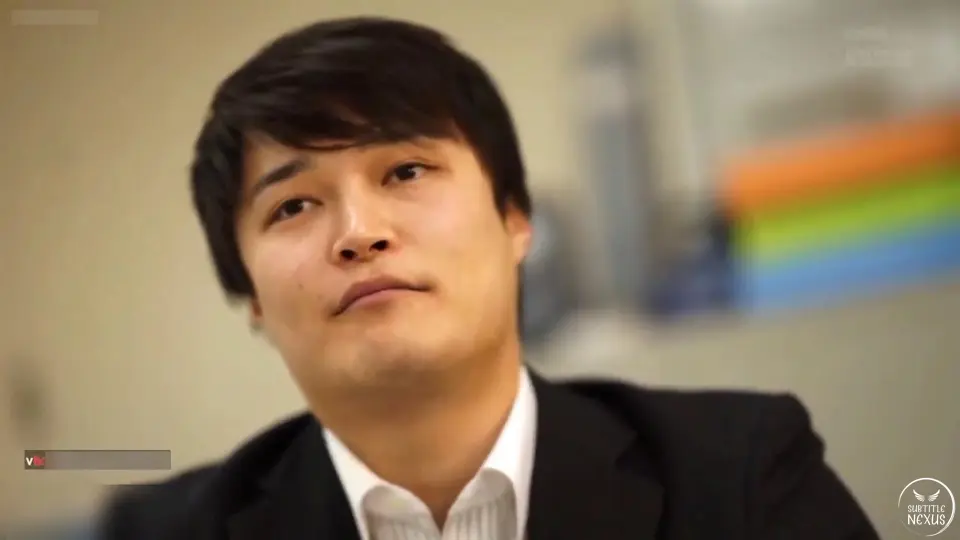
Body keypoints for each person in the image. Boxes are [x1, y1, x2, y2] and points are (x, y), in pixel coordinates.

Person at [97, 16, 879, 540]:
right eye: (293, 205)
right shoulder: (159, 535)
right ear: (252, 299)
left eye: (406, 171)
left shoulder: (741, 476)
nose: (359, 232)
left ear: (515, 220)